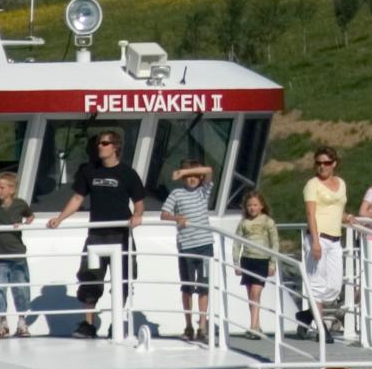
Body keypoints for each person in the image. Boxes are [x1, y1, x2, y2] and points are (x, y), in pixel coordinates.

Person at [70, 129, 150, 336]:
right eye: (99, 143)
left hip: (120, 235)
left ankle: (118, 321)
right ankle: (88, 325)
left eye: (104, 143)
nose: (100, 146)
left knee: (123, 279)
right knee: (89, 278)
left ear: (115, 147)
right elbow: (78, 198)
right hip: (96, 235)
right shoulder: (89, 171)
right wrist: (59, 219)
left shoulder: (127, 173)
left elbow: (139, 202)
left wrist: (137, 216)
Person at [162, 160, 221, 342]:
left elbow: (210, 170)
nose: (192, 179)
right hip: (186, 246)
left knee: (204, 285)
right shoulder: (177, 193)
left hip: (204, 246)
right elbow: (163, 214)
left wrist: (183, 171)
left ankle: (202, 326)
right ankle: (188, 325)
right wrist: (176, 217)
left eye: (195, 175)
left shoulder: (204, 191)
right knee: (187, 286)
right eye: (188, 176)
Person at [0, 160, 38, 337]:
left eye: (2, 188)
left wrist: (26, 222)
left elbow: (31, 215)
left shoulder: (20, 204)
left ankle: (22, 322)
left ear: (12, 189)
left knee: (20, 289)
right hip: (0, 256)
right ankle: (2, 323)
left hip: (17, 255)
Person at [300, 148, 349, 336]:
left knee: (335, 287)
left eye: (326, 163)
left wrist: (347, 217)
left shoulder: (341, 183)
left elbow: (336, 209)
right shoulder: (312, 184)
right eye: (319, 163)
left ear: (334, 163)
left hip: (336, 239)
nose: (322, 166)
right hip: (318, 237)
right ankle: (322, 329)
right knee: (317, 284)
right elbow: (311, 213)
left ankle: (307, 315)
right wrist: (315, 241)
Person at [234, 186, 278, 335]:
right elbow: (237, 243)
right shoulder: (243, 223)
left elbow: (274, 243)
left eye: (255, 205)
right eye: (249, 205)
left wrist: (272, 264)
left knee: (255, 292)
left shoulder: (268, 222)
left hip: (261, 261)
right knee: (250, 294)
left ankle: (253, 327)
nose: (252, 208)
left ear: (261, 206)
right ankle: (256, 325)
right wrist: (236, 263)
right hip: (247, 260)